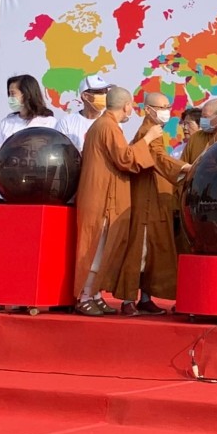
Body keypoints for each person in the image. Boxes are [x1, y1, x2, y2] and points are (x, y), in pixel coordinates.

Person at [107, 89, 184, 314]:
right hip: (145, 203)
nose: (166, 111)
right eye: (161, 108)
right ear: (148, 110)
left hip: (156, 201)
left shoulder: (156, 131)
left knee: (152, 252)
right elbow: (158, 158)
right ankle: (128, 300)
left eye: (167, 107)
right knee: (139, 251)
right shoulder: (147, 132)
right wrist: (185, 168)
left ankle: (146, 298)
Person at [73, 87, 140, 315]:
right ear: (127, 106)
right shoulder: (108, 126)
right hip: (99, 197)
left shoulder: (105, 125)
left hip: (102, 195)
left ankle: (94, 294)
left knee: (102, 247)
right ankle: (84, 296)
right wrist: (147, 140)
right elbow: (125, 159)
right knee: (94, 247)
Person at [0, 74, 59, 149]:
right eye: (9, 94)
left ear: (27, 94)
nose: (10, 98)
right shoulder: (6, 123)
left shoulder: (50, 123)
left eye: (13, 94)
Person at [58, 74, 110, 147]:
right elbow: (59, 149)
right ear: (85, 96)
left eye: (106, 92)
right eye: (99, 92)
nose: (104, 95)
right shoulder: (66, 122)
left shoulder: (112, 122)